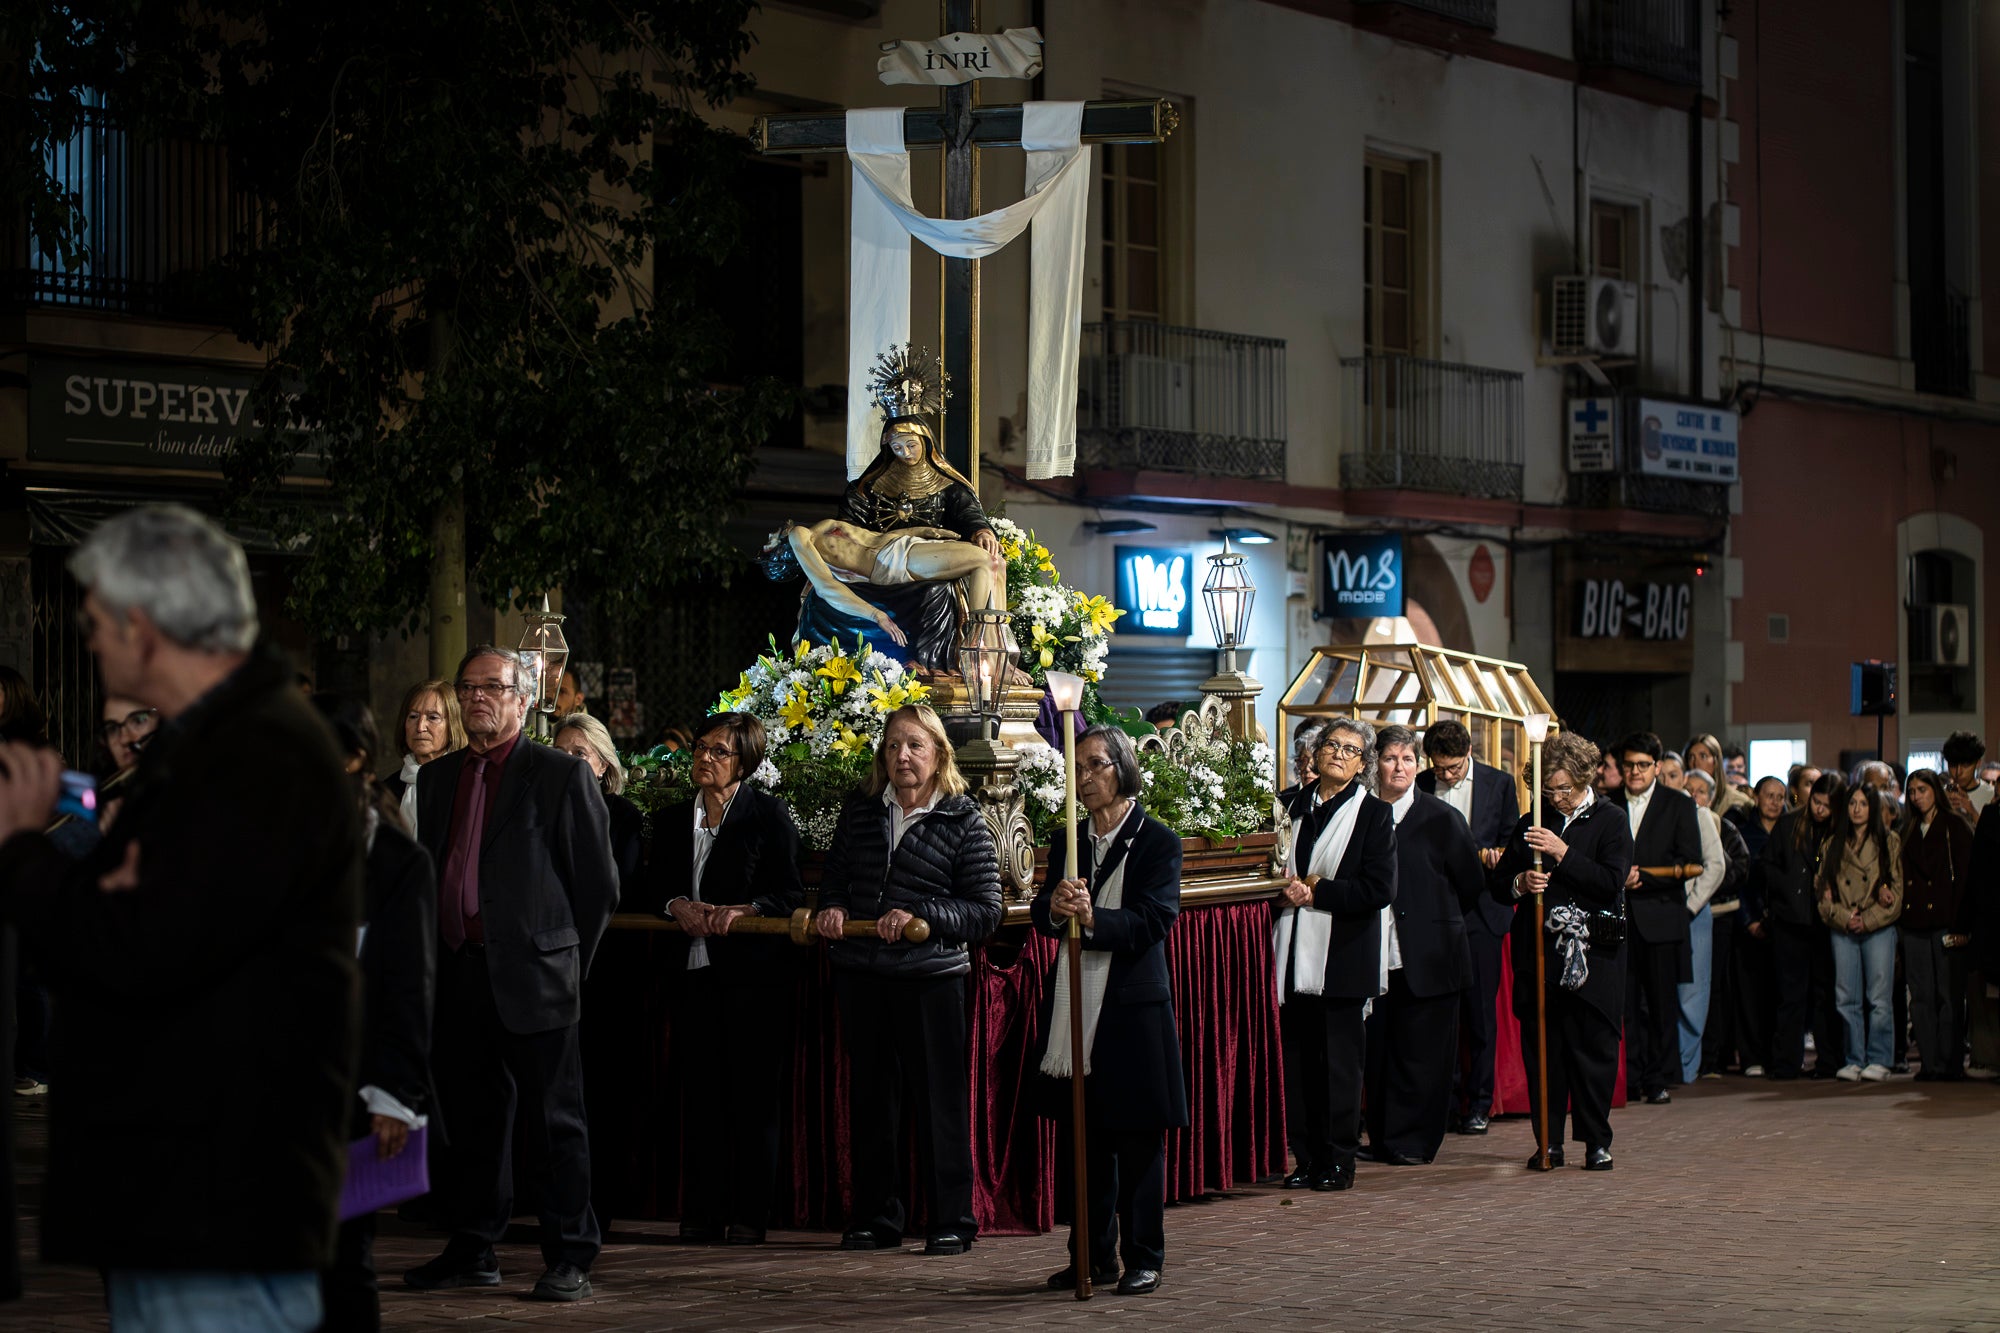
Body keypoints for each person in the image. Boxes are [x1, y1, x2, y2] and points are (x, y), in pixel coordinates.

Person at [0, 504, 361, 1332]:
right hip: (180, 1186)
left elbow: (143, 944)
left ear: (144, 621)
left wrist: (23, 851)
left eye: (95, 623)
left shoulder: (255, 751)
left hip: (217, 1192)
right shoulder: (208, 748)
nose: (91, 644)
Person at [403, 646, 619, 1302]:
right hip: (462, 972)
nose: (477, 699)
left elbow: (597, 888)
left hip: (537, 976)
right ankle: (473, 1246)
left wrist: (567, 966)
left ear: (524, 699)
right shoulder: (439, 779)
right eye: (468, 688)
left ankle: (570, 1253)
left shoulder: (557, 774)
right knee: (470, 1122)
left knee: (555, 1124)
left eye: (492, 688)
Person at [815, 704, 1002, 1255]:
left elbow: (985, 911)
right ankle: (878, 1219)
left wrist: (921, 916)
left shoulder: (965, 820)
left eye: (915, 745)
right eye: (894, 745)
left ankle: (952, 1220)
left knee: (940, 1103)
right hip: (864, 977)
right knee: (874, 1104)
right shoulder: (861, 812)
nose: (902, 756)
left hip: (931, 980)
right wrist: (831, 910)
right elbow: (835, 882)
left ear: (939, 754)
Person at [1031, 725, 1186, 1297]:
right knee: (1084, 1142)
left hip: (1131, 1008)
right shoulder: (1068, 838)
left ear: (1123, 769)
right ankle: (1091, 1259)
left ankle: (1145, 1256)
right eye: (1077, 768)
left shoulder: (1156, 841)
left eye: (1096, 765)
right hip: (1075, 1004)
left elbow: (1154, 920)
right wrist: (1055, 907)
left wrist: (1093, 917)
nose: (1085, 777)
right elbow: (1046, 912)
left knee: (1140, 1143)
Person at [650, 712, 804, 1246]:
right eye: (700, 748)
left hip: (752, 980)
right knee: (701, 1097)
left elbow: (790, 892)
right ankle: (701, 1211)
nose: (705, 759)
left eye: (719, 751)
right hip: (691, 975)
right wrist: (675, 904)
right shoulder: (672, 819)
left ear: (746, 761)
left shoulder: (768, 815)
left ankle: (749, 1215)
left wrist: (749, 909)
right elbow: (650, 885)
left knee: (753, 1099)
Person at [311, 693, 437, 1333]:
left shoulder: (395, 861)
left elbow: (409, 985)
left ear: (354, 759)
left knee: (343, 1253)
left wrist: (395, 1094)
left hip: (355, 1084)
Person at [1491, 730, 1631, 1172]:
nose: (1556, 798)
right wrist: (1519, 883)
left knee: (1593, 1051)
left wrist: (1563, 852)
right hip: (1540, 957)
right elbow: (1498, 886)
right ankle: (1547, 1141)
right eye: (1548, 789)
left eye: (1564, 789)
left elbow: (1610, 883)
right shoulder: (1532, 820)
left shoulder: (1611, 820)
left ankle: (1596, 1140)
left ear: (1586, 778)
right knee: (1544, 1053)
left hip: (1594, 956)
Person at [1275, 719, 1397, 1193]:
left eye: (1350, 750)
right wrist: (1281, 894)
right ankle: (1305, 1158)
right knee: (1299, 1065)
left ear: (1363, 763)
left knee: (1340, 1068)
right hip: (1290, 952)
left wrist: (1316, 893)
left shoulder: (1373, 814)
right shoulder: (1288, 805)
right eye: (1332, 745)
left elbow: (1379, 888)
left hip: (1343, 957)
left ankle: (1339, 1162)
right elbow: (1271, 871)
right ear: (1315, 754)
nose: (1339, 755)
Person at [1364, 725, 1481, 1166]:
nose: (1399, 767)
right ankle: (1383, 1137)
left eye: (1408, 759)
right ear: (1375, 763)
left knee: (1424, 1053)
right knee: (1380, 1052)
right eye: (1391, 758)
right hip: (1375, 955)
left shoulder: (1442, 818)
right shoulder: (1364, 813)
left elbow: (1470, 884)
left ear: (1419, 764)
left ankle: (1416, 1142)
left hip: (1431, 955)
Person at [1414, 718, 1517, 1136]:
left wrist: (1496, 856)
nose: (1446, 775)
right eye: (1439, 768)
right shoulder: (1420, 783)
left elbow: (1514, 840)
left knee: (1479, 1017)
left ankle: (1479, 1103)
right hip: (1433, 911)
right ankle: (1444, 1101)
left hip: (1482, 910)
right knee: (1437, 1015)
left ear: (1469, 755)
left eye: (1453, 768)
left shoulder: (1499, 783)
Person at [1616, 731, 1704, 1102]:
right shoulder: (1608, 803)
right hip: (1619, 918)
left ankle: (1658, 1079)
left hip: (1662, 917)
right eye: (1628, 765)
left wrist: (1643, 875)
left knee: (1661, 1003)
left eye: (1642, 765)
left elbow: (1692, 861)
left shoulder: (1678, 805)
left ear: (1656, 767)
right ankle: (1632, 1077)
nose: (1634, 772)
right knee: (1626, 1003)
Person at [1761, 772, 1846, 1078]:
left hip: (1826, 923)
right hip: (1792, 922)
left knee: (1826, 996)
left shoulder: (1840, 832)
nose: (1819, 809)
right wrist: (1788, 891)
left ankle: (1828, 1061)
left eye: (1826, 805)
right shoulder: (1789, 825)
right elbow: (1768, 866)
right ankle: (1787, 1062)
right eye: (1816, 802)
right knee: (1791, 995)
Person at [1818, 782, 1902, 1081]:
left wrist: (1867, 919)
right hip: (1843, 927)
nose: (1857, 809)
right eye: (1852, 803)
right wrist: (1844, 916)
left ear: (1873, 808)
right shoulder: (1832, 844)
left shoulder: (1888, 841)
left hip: (1876, 927)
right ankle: (1854, 1058)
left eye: (1863, 804)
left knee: (1878, 997)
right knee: (1846, 997)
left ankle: (1880, 1058)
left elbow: (1896, 891)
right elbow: (1822, 893)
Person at [1898, 770, 1974, 1081]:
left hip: (1946, 922)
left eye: (1922, 789)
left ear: (1935, 792)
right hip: (1914, 923)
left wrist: (1961, 925)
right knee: (1921, 996)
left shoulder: (1954, 826)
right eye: (1912, 790)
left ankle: (1951, 1061)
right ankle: (1930, 1063)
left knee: (1949, 995)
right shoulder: (1907, 830)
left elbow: (1966, 880)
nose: (1916, 796)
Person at [1684, 768, 1750, 1079]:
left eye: (1701, 792)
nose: (1694, 796)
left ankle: (1711, 1057)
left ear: (1711, 798)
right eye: (1690, 789)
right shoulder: (1682, 820)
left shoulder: (1722, 826)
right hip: (1691, 912)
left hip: (1719, 914)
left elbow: (1733, 868)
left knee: (1712, 988)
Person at [1726, 776, 1789, 1077]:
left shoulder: (1791, 831)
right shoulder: (1743, 832)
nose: (1775, 801)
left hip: (1782, 925)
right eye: (1769, 795)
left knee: (1780, 992)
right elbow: (1738, 879)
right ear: (1756, 796)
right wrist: (1749, 920)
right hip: (1748, 923)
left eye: (1780, 796)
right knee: (1749, 994)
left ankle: (1779, 1054)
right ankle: (1751, 1056)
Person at [553, 713, 642, 889]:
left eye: (580, 753)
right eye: (559, 752)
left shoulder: (623, 814)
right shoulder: (538, 806)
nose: (567, 761)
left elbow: (625, 884)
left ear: (603, 765)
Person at [382, 678, 466, 837]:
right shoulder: (388, 791)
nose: (420, 727)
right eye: (413, 716)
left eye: (433, 717)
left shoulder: (466, 786)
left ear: (453, 725)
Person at [1685, 733, 1753, 819]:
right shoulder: (1681, 797)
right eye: (1691, 757)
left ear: (1715, 760)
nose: (1696, 763)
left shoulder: (1738, 801)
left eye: (1703, 756)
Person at [1941, 732, 1991, 825]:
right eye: (1953, 765)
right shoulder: (1941, 795)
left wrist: (1972, 812)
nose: (1958, 772)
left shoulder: (1990, 795)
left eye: (1965, 765)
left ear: (1978, 763)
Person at [1277, 725, 1318, 805]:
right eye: (1303, 761)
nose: (1307, 768)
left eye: (1315, 762)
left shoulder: (1335, 801)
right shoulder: (1284, 801)